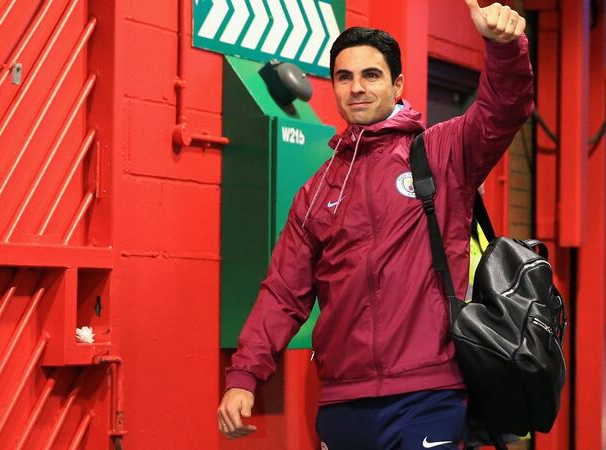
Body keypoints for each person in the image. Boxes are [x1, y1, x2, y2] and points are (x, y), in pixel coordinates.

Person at [218, 1, 533, 448]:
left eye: (371, 75)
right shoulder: (318, 190)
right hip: (343, 401)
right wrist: (244, 376)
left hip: (428, 394)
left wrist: (505, 50)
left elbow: (503, 111)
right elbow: (284, 293)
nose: (357, 88)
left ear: (397, 84)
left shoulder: (440, 153)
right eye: (344, 77)